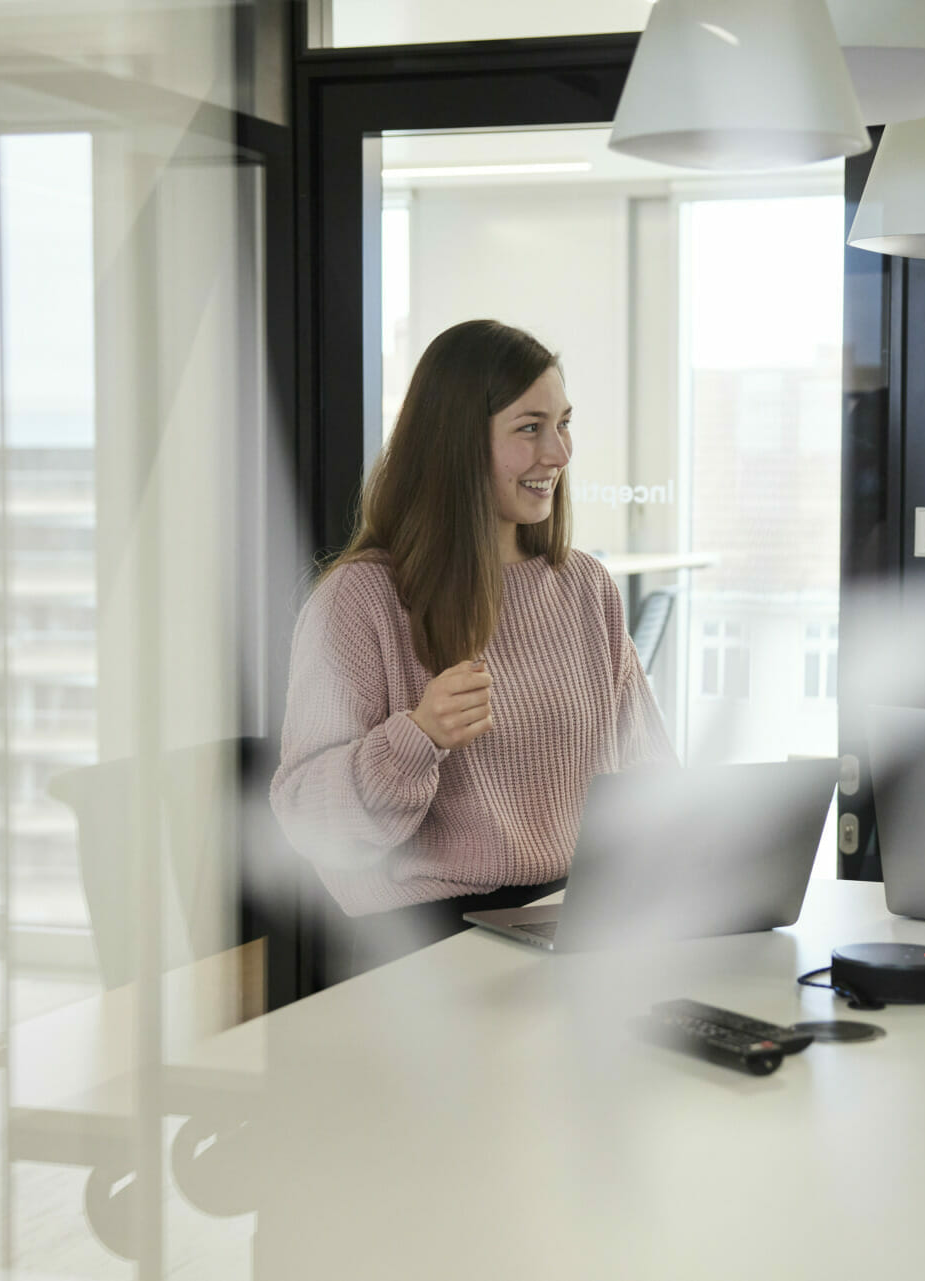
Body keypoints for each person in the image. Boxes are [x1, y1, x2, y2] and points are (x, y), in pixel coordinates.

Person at [270, 319, 674, 975]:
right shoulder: (360, 601)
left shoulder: (586, 588)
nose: (559, 453)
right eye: (529, 428)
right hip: (419, 952)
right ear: (458, 442)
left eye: (564, 423)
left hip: (568, 928)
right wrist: (417, 735)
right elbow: (306, 820)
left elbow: (651, 777)